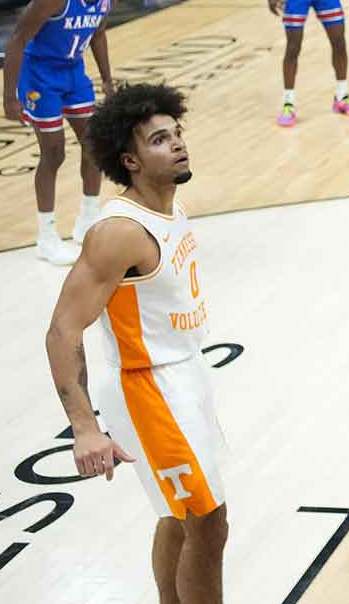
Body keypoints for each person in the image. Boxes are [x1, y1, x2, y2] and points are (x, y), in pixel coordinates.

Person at [43, 82, 229, 604]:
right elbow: (62, 329)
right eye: (158, 140)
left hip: (183, 376)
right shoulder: (120, 231)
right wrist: (84, 428)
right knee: (208, 524)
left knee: (179, 516)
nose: (176, 144)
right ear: (130, 160)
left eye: (177, 134)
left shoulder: (172, 206)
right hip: (148, 389)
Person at [1, 0, 117, 263]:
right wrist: (10, 97)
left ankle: (87, 219)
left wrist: (107, 79)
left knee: (95, 143)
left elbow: (97, 32)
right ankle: (46, 236)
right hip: (40, 76)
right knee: (54, 154)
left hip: (73, 73)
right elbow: (17, 39)